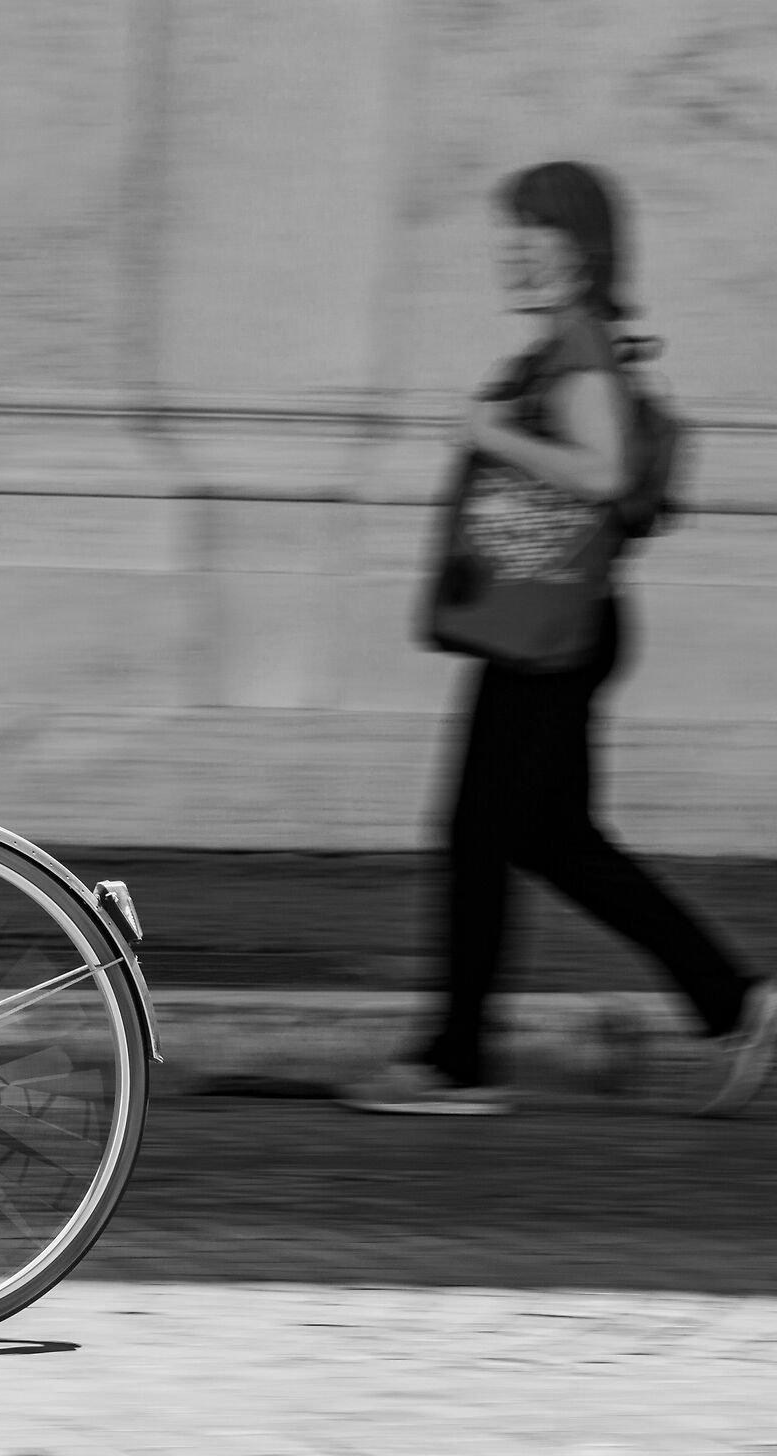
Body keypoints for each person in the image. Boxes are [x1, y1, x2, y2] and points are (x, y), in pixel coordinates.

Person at [343, 162, 774, 1119]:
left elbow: (605, 471)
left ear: (584, 251)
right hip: (555, 623)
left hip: (549, 629)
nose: (517, 253)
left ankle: (456, 1062)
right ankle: (736, 1002)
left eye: (539, 235)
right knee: (553, 838)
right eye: (512, 234)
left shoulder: (579, 347)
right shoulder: (575, 343)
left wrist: (488, 433)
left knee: (477, 834)